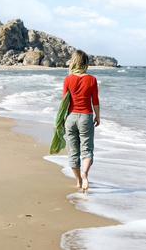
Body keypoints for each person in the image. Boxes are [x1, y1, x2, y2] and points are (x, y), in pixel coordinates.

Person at [63, 50, 100, 193]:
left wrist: (61, 120)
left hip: (71, 117)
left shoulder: (68, 79)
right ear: (85, 63)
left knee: (73, 151)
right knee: (87, 150)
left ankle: (78, 181)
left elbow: (64, 102)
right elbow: (95, 101)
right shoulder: (92, 79)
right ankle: (85, 173)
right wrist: (98, 116)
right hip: (85, 117)